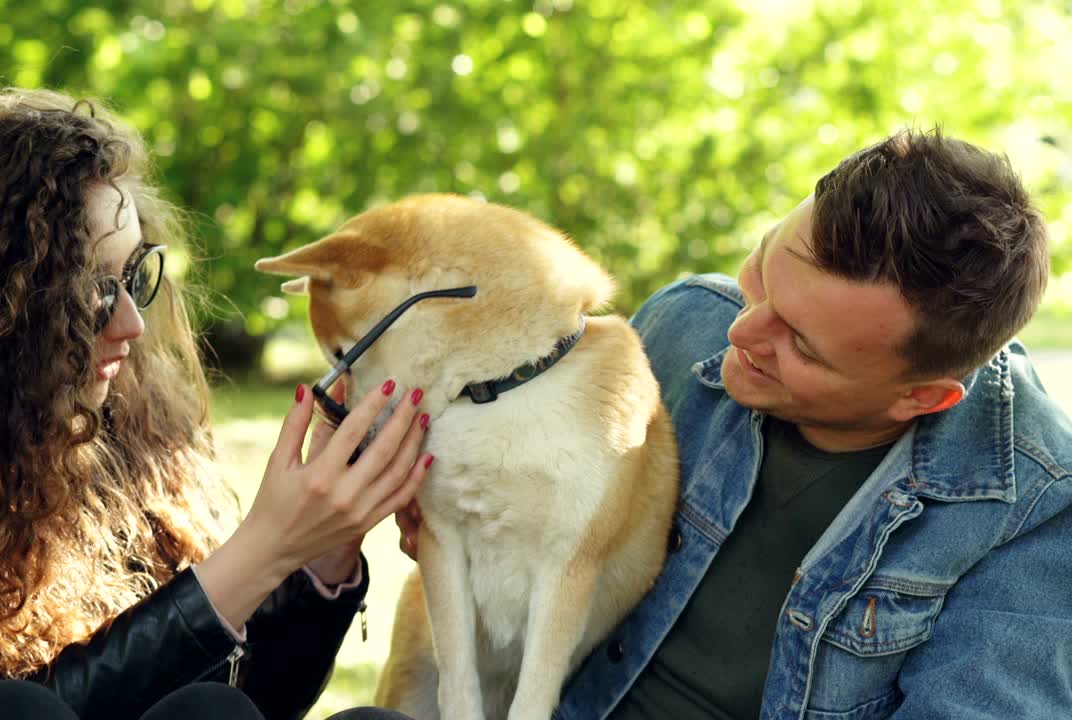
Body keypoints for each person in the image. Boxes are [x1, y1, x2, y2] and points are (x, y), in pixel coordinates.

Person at [0, 88, 431, 720]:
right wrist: (261, 551)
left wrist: (322, 549)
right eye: (91, 289)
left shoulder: (131, 446)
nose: (131, 322)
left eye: (134, 276)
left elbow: (257, 699)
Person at [394, 127, 1072, 718]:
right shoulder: (682, 323)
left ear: (920, 399)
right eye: (761, 271)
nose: (742, 332)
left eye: (801, 345)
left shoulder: (1031, 510)